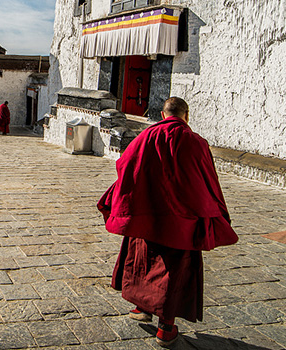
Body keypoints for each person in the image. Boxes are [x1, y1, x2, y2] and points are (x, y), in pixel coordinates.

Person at [97, 97, 238, 347]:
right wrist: (216, 210)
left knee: (143, 261)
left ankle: (142, 307)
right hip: (182, 222)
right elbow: (208, 179)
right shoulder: (197, 143)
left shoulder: (145, 137)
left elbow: (126, 165)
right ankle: (165, 327)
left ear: (163, 115)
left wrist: (127, 196)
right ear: (186, 115)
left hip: (147, 215)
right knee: (173, 272)